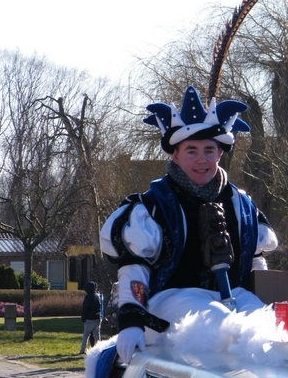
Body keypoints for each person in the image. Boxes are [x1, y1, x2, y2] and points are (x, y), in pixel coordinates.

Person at [100, 86, 278, 363]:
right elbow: (134, 268)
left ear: (220, 154)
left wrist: (266, 296)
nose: (201, 159)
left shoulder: (242, 205)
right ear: (175, 155)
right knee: (217, 325)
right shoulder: (153, 206)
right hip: (171, 300)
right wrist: (131, 319)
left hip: (234, 295)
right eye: (191, 150)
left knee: (266, 326)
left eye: (209, 150)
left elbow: (256, 263)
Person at [80, 281, 102, 354]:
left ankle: (82, 350)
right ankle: (99, 349)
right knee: (97, 336)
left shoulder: (88, 297)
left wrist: (83, 318)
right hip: (97, 318)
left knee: (86, 335)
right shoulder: (98, 296)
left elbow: (85, 308)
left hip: (89, 319)